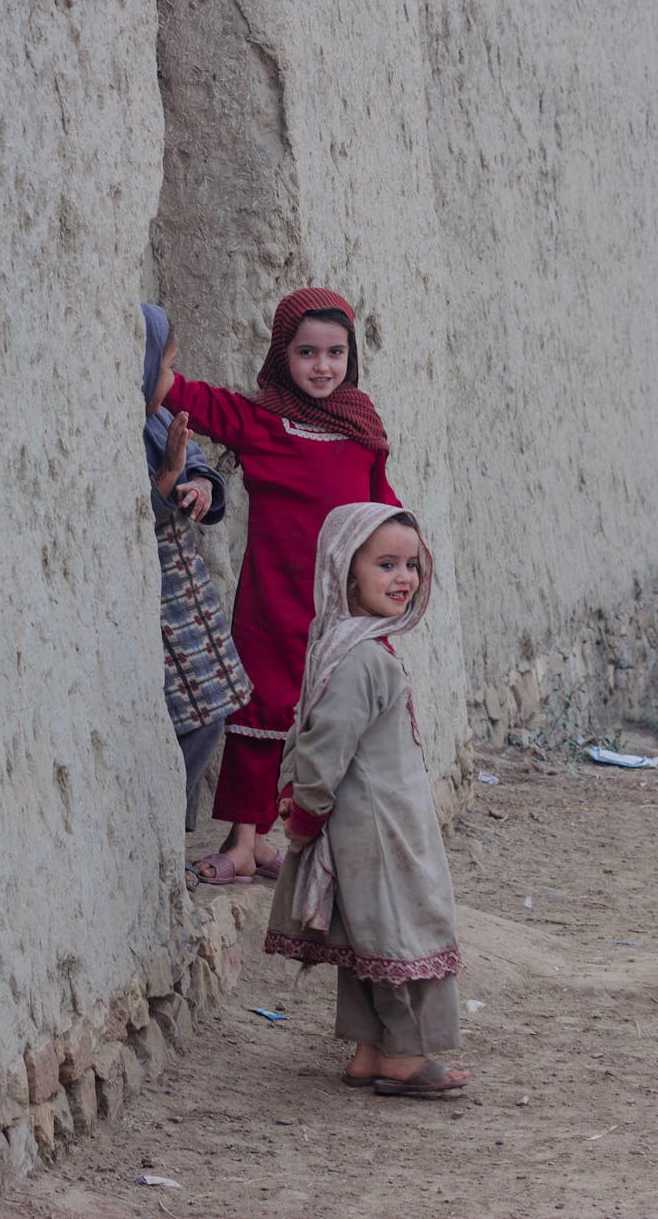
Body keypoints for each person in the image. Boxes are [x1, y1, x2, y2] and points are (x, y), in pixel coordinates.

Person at [159, 288, 401, 884]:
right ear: (281, 357)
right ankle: (246, 841)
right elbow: (189, 398)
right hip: (273, 598)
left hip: (340, 608)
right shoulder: (263, 421)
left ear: (352, 356)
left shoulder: (362, 426)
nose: (322, 366)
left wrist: (403, 560)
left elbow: (382, 504)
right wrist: (152, 356)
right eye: (306, 352)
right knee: (259, 715)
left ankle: (307, 841)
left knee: (336, 713)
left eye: (335, 352)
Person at [265, 502, 468, 1098]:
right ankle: (404, 1058)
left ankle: (369, 1053)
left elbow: (311, 732)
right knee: (403, 936)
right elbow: (324, 745)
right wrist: (305, 814)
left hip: (376, 827)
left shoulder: (353, 646)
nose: (403, 578)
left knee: (368, 941)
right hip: (380, 833)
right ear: (345, 570)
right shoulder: (359, 658)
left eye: (411, 564)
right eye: (385, 564)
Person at [141, 303, 252, 889]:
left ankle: (172, 828)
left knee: (215, 703)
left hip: (189, 596)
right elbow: (136, 510)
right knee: (193, 710)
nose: (170, 381)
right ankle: (160, 833)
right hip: (159, 603)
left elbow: (202, 464)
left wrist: (200, 486)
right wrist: (168, 478)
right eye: (166, 368)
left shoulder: (159, 420)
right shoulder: (128, 429)